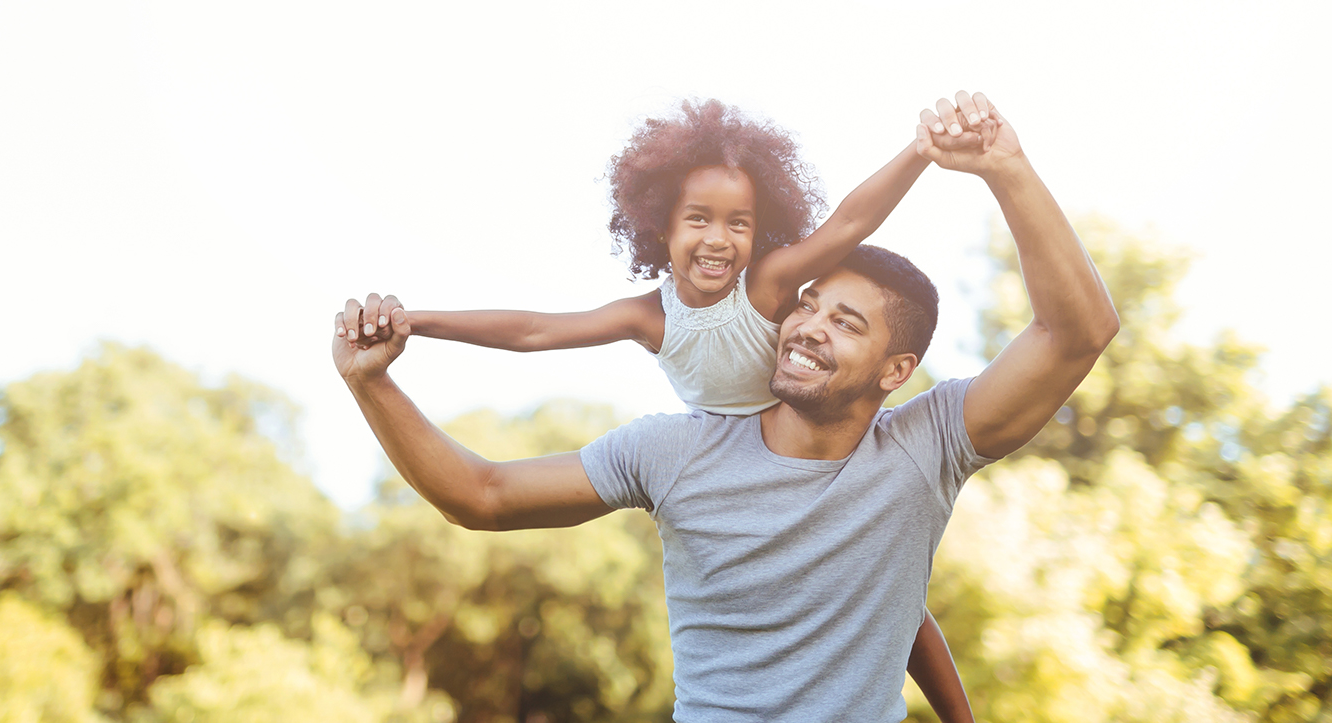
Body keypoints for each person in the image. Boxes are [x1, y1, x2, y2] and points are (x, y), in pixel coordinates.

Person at [332, 92, 1118, 721]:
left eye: (846, 322)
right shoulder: (672, 451)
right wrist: (374, 380)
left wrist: (1005, 167)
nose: (807, 324)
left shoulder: (927, 445)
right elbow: (484, 494)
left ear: (896, 369)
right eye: (809, 307)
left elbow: (1076, 332)